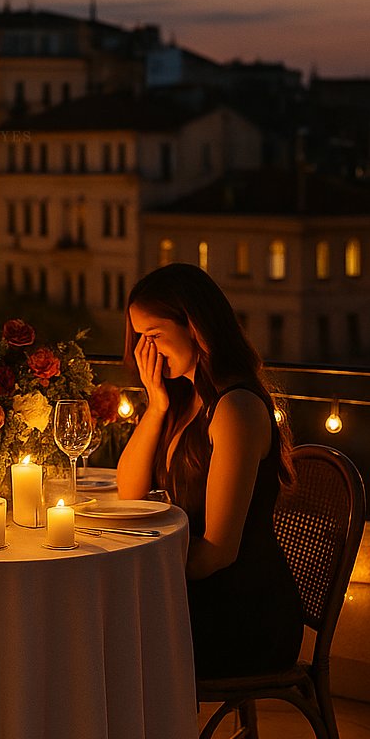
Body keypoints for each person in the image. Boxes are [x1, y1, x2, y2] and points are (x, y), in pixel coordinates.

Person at [117, 263, 302, 678]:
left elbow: (218, 552)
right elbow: (129, 492)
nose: (145, 350)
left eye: (155, 335)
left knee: (104, 641)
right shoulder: (184, 401)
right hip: (194, 596)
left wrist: (141, 578)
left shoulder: (235, 408)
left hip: (240, 613)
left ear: (195, 326)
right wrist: (156, 404)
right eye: (139, 337)